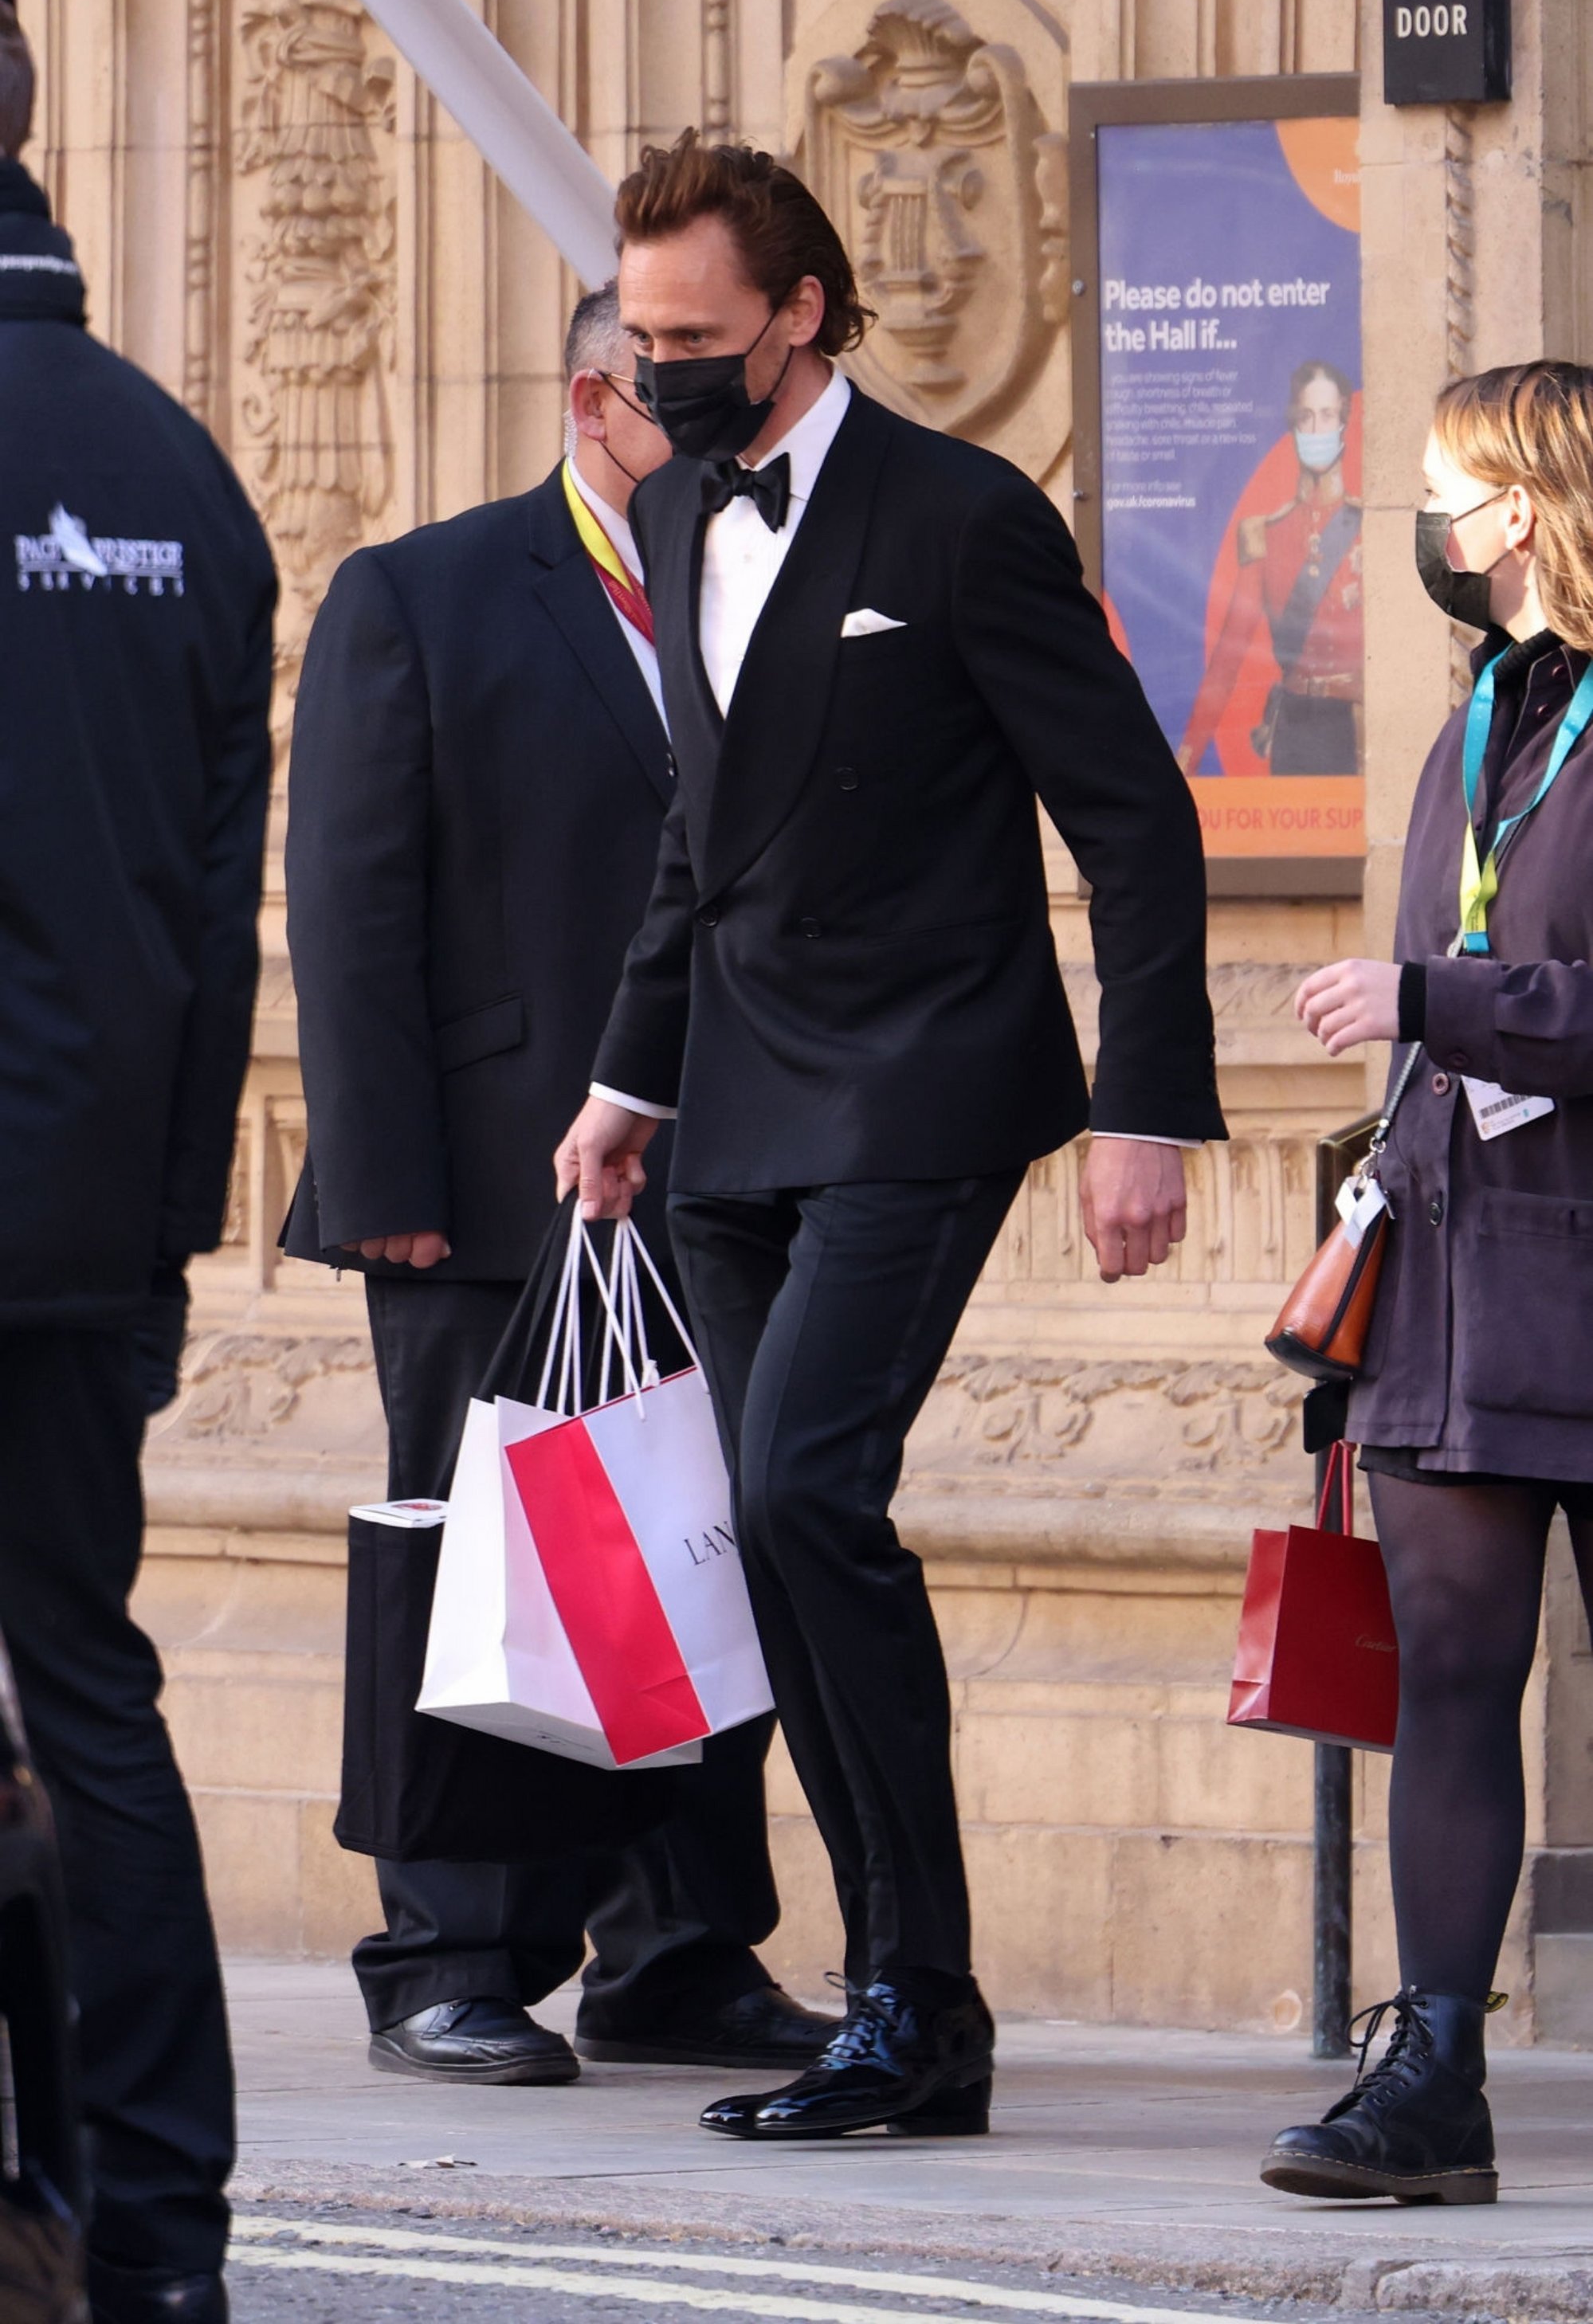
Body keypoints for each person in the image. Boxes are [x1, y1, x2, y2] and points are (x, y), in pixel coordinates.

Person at [558, 131, 1226, 2143]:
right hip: (734, 1103)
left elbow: (1133, 817)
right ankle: (897, 2003)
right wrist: (625, 1081)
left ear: (801, 315)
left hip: (925, 1081)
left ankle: (918, 1999)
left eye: (695, 338)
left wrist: (1143, 1103)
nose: (660, 372)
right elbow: (696, 840)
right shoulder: (677, 508)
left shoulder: (958, 518)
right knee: (780, 1535)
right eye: (644, 338)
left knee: (803, 1493)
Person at [284, 282, 830, 2089]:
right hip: (485, 1185)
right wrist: (381, 1177)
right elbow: (349, 901)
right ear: (594, 399)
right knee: (483, 1572)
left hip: (728, 1171)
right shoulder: (421, 593)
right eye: (687, 401)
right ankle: (448, 1954)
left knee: (695, 1555)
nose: (726, 437)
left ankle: (676, 1948)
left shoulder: (762, 588)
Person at [0, 2, 275, 2324]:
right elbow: (210, 901)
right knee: (86, 1688)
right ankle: (159, 2235)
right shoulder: (176, 468)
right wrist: (168, 1233)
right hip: (89, 1216)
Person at [1266, 359, 1593, 2207]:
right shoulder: (1479, 710)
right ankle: (1434, 2074)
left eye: (1440, 487)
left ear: (1520, 507)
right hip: (1451, 1268)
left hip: (1578, 1259)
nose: (1422, 521)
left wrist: (1432, 999)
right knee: (1452, 1674)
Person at [1178, 359, 1363, 778]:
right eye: (1306, 416)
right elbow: (1227, 659)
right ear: (1293, 426)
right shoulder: (1266, 534)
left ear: (1343, 423)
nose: (1317, 428)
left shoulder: (1367, 527)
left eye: (1327, 415)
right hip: (1293, 730)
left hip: (1356, 732)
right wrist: (1187, 759)